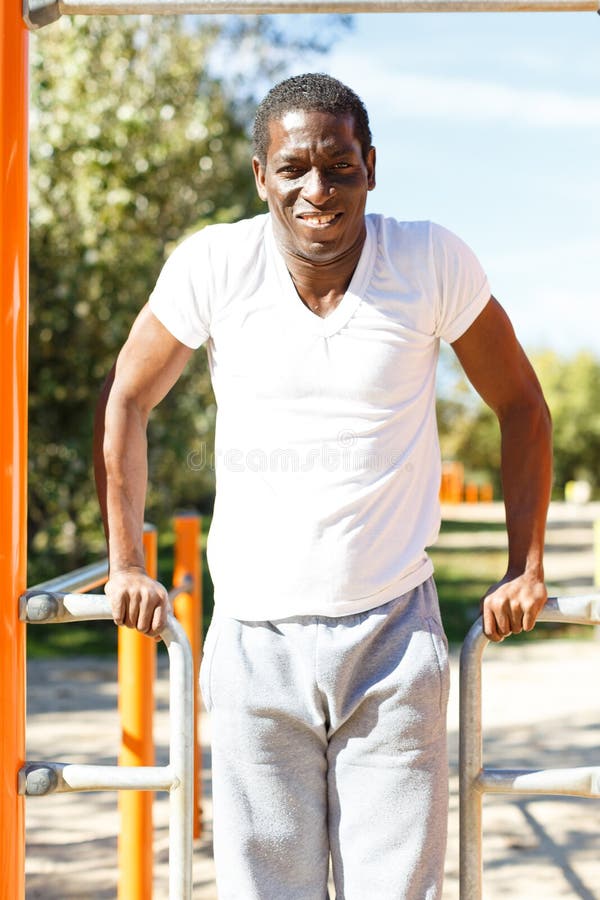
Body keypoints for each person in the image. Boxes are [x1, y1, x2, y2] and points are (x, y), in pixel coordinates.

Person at [94, 73, 552, 899]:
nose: (318, 190)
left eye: (339, 167)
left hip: (392, 639)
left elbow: (521, 404)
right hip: (252, 643)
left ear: (370, 167)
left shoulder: (427, 260)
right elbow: (128, 396)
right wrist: (126, 561)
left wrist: (525, 565)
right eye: (295, 168)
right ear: (261, 175)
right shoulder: (216, 264)